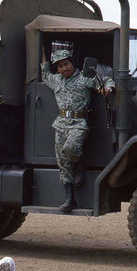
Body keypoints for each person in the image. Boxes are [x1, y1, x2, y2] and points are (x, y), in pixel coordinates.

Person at [41, 49, 115, 212]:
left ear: (72, 63)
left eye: (66, 64)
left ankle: (80, 164)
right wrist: (42, 51)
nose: (63, 68)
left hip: (79, 123)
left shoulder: (84, 78)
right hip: (60, 124)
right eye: (60, 66)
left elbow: (106, 80)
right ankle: (69, 199)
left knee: (71, 148)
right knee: (63, 162)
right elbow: (45, 74)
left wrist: (108, 88)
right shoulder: (56, 80)